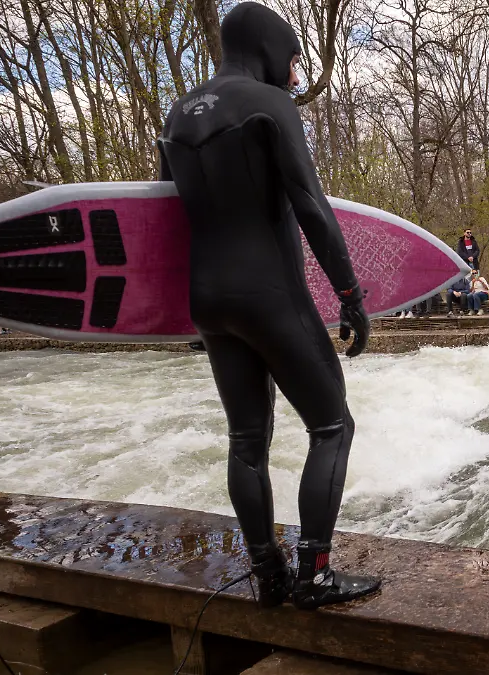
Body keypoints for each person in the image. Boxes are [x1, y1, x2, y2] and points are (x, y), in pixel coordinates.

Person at [157, 1, 378, 609]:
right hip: (269, 293)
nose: (295, 74)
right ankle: (315, 575)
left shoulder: (177, 115)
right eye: (293, 60)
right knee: (333, 426)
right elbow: (310, 204)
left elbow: (163, 218)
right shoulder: (269, 104)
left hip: (210, 302)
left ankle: (268, 575)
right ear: (268, 48)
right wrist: (350, 295)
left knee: (246, 442)